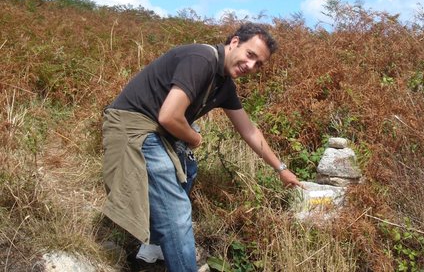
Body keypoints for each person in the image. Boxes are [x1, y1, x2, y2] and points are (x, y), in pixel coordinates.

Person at [102, 23, 302, 272]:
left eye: (258, 64)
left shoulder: (224, 84)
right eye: (250, 55)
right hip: (133, 126)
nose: (251, 66)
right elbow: (169, 116)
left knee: (188, 168)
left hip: (158, 131)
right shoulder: (202, 59)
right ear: (235, 42)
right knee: (177, 211)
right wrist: (194, 139)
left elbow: (249, 130)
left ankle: (154, 246)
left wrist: (281, 168)